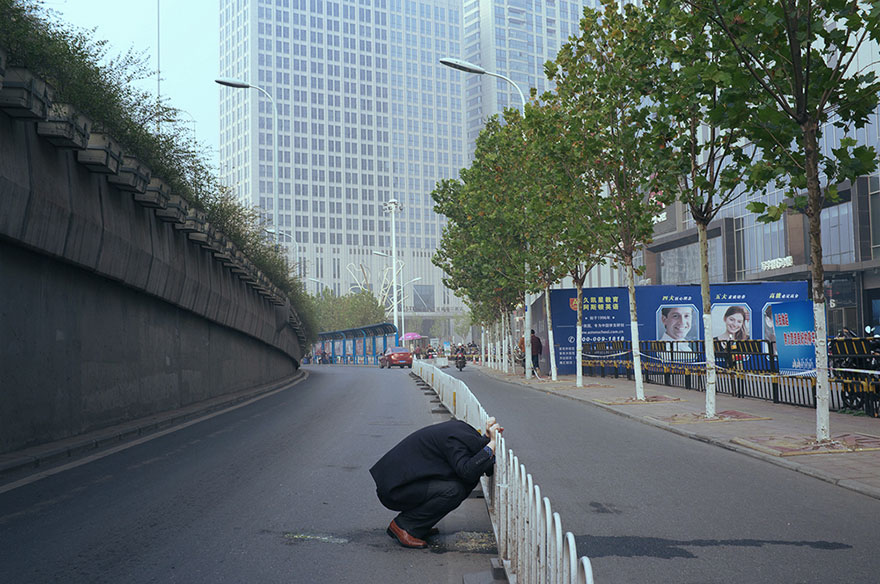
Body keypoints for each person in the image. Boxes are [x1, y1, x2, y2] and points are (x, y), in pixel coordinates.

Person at [370, 417, 503, 549]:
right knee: (453, 490)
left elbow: (473, 460)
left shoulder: (462, 434)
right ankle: (404, 526)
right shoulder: (455, 441)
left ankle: (420, 526)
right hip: (394, 490)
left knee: (458, 485)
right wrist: (491, 444)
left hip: (402, 483)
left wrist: (487, 439)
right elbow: (467, 471)